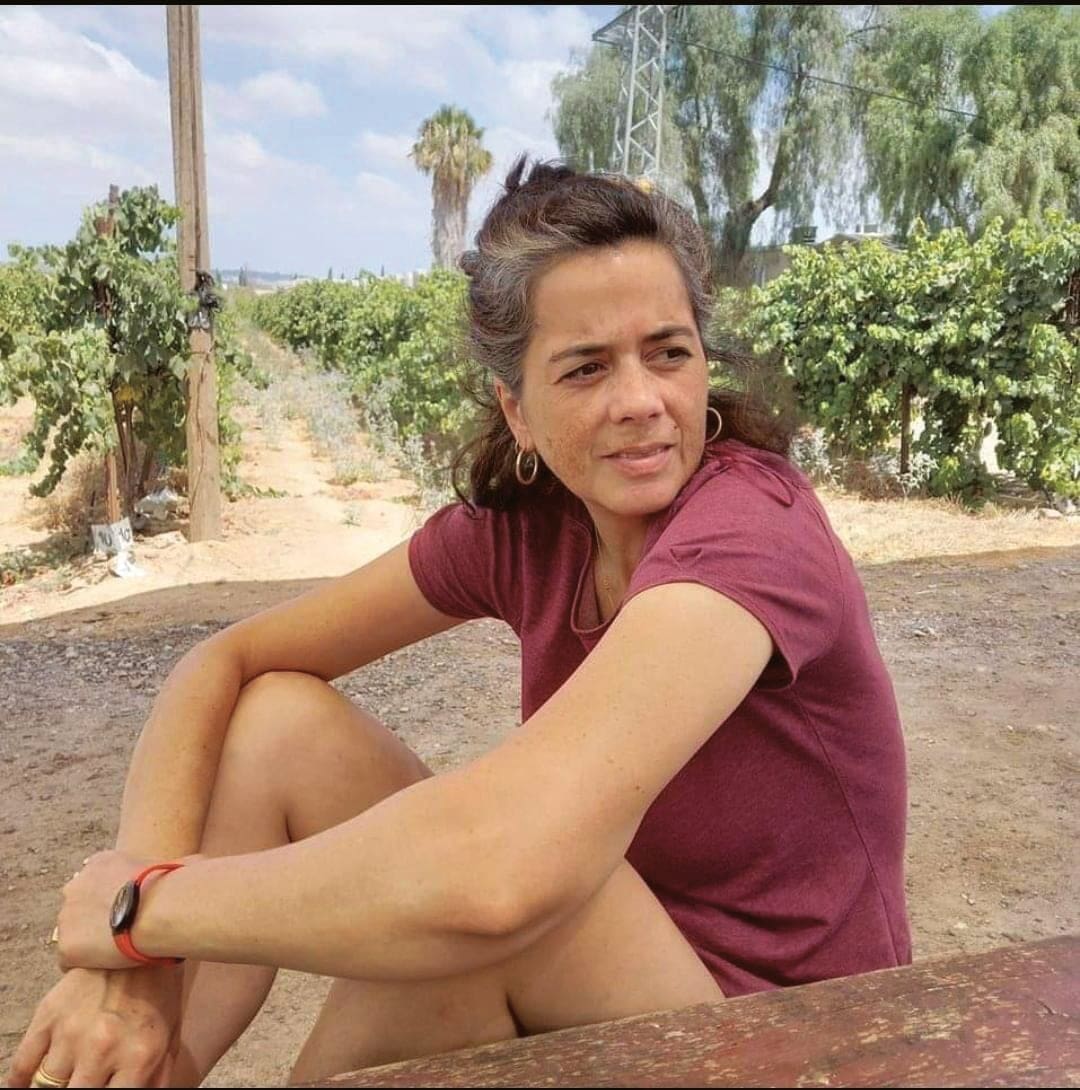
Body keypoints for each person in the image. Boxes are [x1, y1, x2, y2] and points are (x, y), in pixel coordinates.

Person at [9, 157, 910, 1090]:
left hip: (806, 1045)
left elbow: (498, 878)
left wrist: (143, 908)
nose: (642, 401)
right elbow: (224, 660)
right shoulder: (530, 530)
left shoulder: (754, 531)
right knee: (279, 723)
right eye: (586, 368)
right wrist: (135, 973)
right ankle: (149, 1063)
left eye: (669, 353)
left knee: (503, 906)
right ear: (517, 411)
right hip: (625, 982)